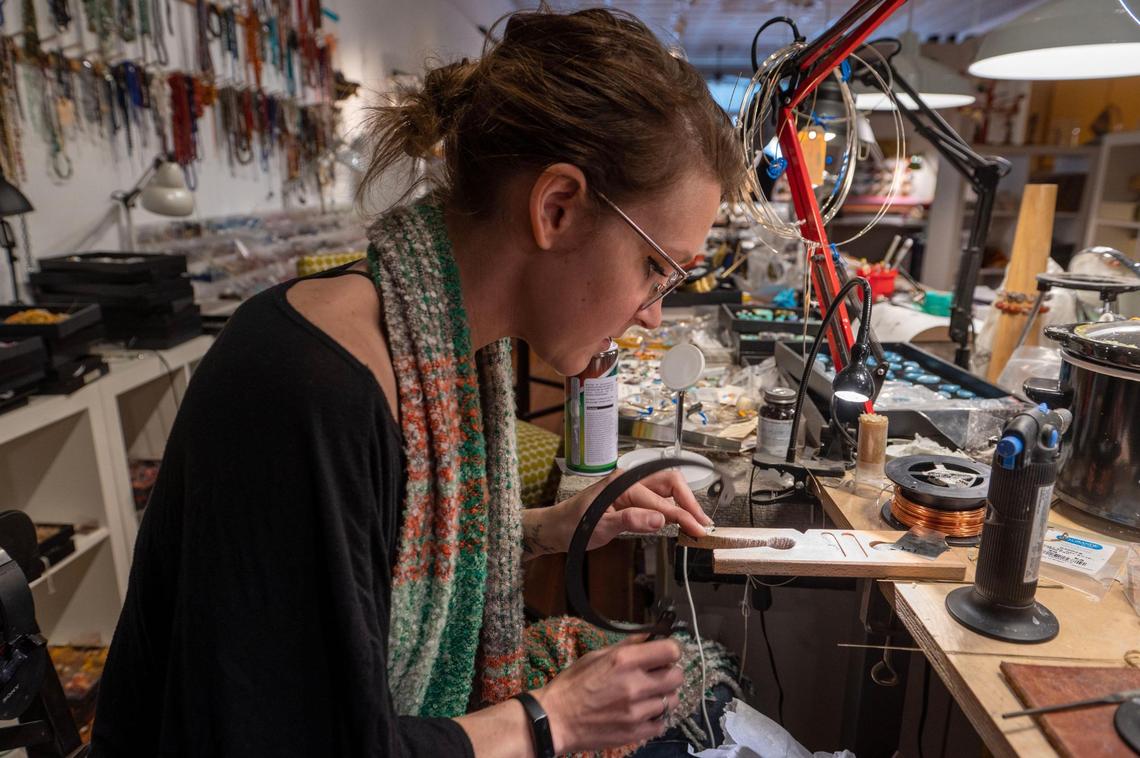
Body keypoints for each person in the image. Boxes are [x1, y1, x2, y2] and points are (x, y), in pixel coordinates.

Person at [91, 7, 744, 757]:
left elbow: (367, 568)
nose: (653, 314)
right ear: (557, 208)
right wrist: (551, 718)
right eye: (656, 267)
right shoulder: (305, 390)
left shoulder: (452, 349)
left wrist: (549, 528)